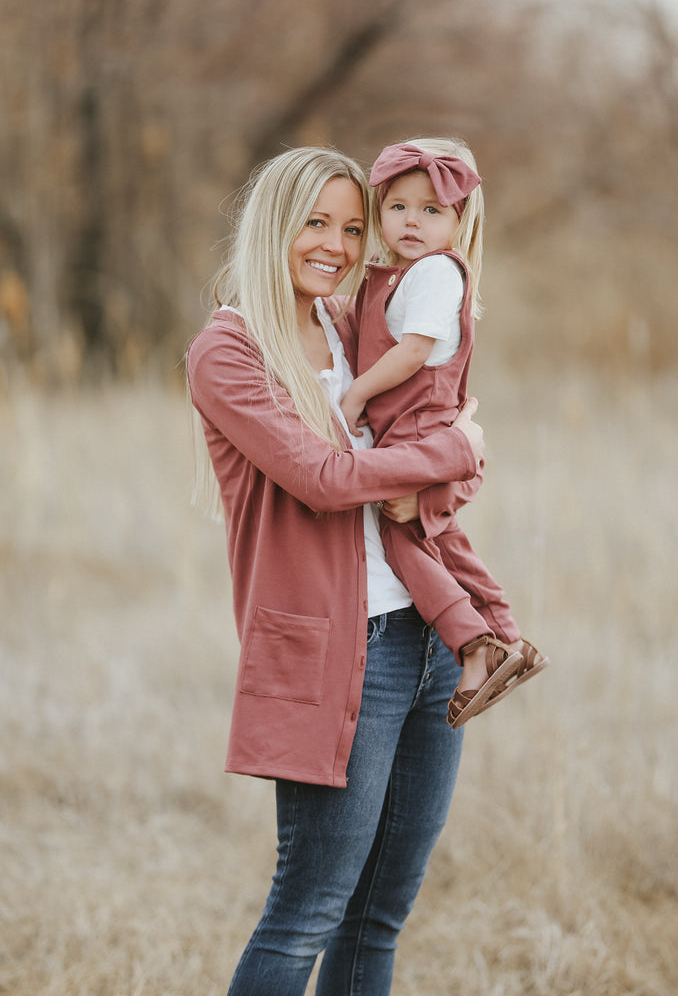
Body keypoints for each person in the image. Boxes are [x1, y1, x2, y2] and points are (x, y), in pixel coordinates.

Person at [186, 146, 488, 996]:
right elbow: (322, 480)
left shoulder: (346, 322)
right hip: (341, 647)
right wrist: (455, 447)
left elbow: (434, 444)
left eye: (355, 227)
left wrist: (456, 456)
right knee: (310, 909)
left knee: (379, 911)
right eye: (315, 223)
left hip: (424, 635)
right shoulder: (230, 348)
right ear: (273, 224)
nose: (339, 244)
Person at [340, 138, 549, 727]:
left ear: (460, 221)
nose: (412, 220)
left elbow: (412, 354)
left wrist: (355, 394)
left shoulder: (435, 272)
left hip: (420, 431)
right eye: (399, 206)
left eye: (432, 210)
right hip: (414, 432)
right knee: (441, 537)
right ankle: (504, 633)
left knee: (402, 537)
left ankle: (475, 644)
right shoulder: (401, 276)